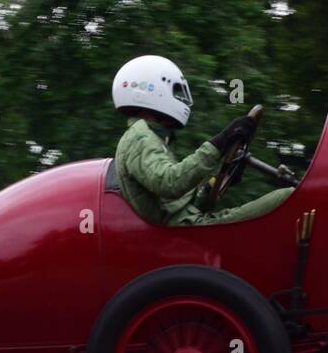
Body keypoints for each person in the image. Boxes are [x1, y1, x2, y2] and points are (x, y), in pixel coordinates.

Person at [112, 54, 294, 226]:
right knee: (290, 198)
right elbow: (169, 183)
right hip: (184, 232)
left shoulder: (152, 136)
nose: (180, 99)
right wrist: (222, 141)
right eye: (175, 91)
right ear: (152, 90)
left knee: (290, 198)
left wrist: (221, 180)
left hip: (186, 225)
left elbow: (178, 205)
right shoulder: (139, 136)